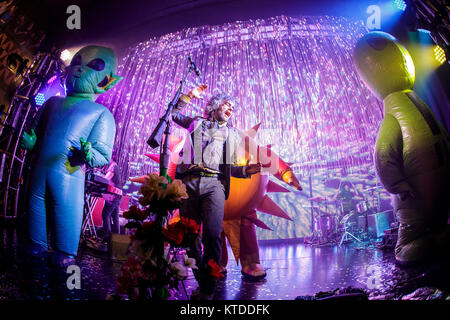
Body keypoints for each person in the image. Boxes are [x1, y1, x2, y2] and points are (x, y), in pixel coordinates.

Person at [21, 46, 122, 267]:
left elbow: (103, 153)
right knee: (34, 228)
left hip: (69, 175)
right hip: (39, 170)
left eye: (93, 66)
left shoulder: (102, 114)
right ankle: (36, 250)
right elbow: (35, 132)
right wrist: (30, 142)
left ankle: (64, 252)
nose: (78, 69)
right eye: (76, 62)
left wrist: (89, 154)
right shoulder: (52, 103)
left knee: (65, 222)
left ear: (108, 81)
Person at [172, 85, 261, 300]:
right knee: (190, 237)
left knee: (211, 236)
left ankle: (208, 287)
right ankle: (205, 284)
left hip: (214, 185)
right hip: (189, 182)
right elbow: (174, 114)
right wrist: (189, 95)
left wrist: (246, 170)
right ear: (213, 106)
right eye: (227, 104)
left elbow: (229, 168)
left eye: (233, 107)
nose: (231, 108)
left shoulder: (231, 134)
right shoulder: (195, 122)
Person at [101, 153, 123, 245]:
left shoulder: (113, 166)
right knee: (115, 216)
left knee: (105, 214)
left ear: (111, 157)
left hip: (113, 196)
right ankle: (115, 240)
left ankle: (108, 237)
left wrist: (100, 175)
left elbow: (106, 179)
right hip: (118, 195)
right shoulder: (115, 166)